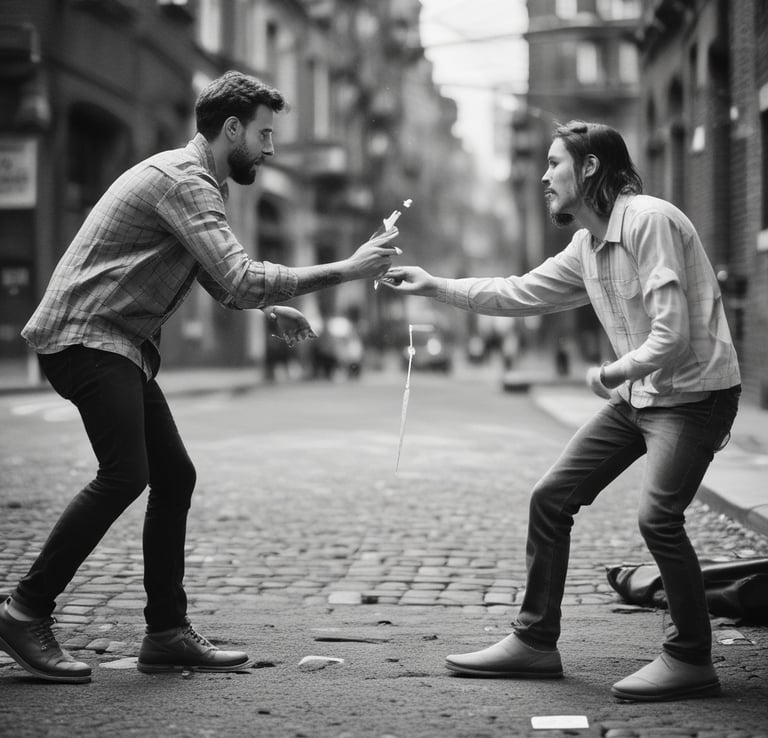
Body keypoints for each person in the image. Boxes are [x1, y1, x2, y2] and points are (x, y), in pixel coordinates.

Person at [0, 70, 399, 684]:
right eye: (264, 135)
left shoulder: (199, 182)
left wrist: (270, 307)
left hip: (117, 342)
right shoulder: (185, 181)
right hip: (87, 337)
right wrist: (347, 269)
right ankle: (24, 610)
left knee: (174, 475)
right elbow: (239, 276)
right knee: (126, 474)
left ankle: (165, 634)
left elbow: (222, 279)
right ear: (232, 129)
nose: (271, 148)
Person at [381, 120, 740, 702]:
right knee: (550, 498)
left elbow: (673, 336)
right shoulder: (586, 246)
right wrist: (434, 286)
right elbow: (519, 292)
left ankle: (691, 657)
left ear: (589, 167)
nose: (544, 177)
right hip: (637, 398)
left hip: (693, 397)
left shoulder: (648, 221)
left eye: (554, 164)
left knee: (658, 518)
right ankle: (534, 641)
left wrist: (610, 373)